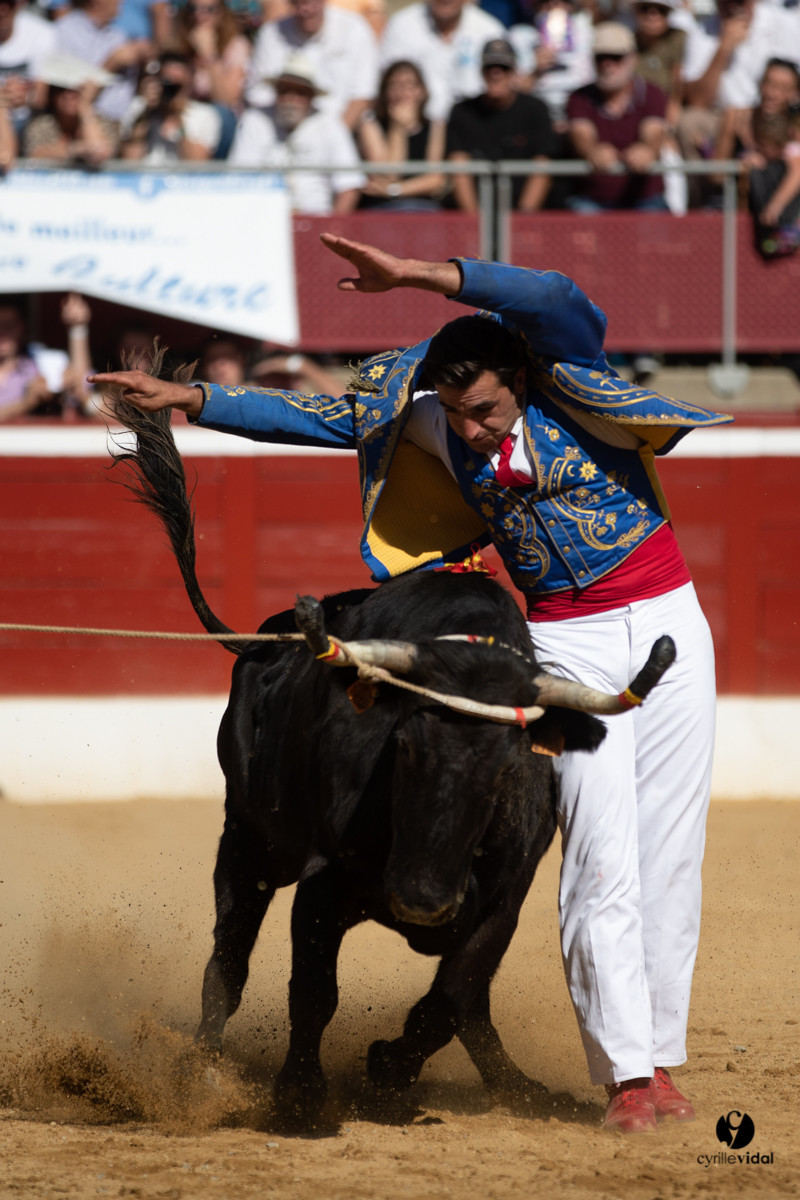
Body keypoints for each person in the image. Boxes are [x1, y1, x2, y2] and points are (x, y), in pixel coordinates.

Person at [89, 232, 733, 1134]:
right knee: (599, 853)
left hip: (670, 623)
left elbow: (554, 294)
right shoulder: (430, 419)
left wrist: (421, 276)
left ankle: (661, 1059)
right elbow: (319, 417)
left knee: (671, 850)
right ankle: (627, 1076)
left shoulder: (570, 378)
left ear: (522, 379)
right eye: (459, 413)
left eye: (487, 409)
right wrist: (196, 399)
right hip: (565, 640)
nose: (474, 429)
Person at [228, 55, 364, 214]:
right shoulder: (254, 120)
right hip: (262, 217)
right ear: (276, 92)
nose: (290, 99)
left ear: (311, 97)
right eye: (284, 91)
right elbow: (238, 179)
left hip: (316, 220)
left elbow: (349, 187)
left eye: (299, 92)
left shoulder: (330, 125)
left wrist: (332, 226)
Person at [566, 21, 670, 211]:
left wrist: (647, 150)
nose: (607, 64)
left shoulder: (653, 94)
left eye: (616, 57)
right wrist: (592, 151)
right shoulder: (579, 98)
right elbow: (581, 135)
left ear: (633, 59)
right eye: (601, 57)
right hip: (593, 200)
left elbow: (654, 133)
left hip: (645, 199)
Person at [447, 37, 556, 212]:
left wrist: (523, 220)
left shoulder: (535, 110)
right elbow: (459, 168)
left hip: (522, 213)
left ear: (514, 72)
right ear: (481, 71)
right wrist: (473, 221)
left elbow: (542, 167)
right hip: (476, 213)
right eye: (490, 67)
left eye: (504, 68)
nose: (496, 73)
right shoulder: (463, 112)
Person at [244, 0, 379, 130]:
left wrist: (333, 137)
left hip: (340, 128)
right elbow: (258, 94)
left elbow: (362, 95)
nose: (306, 8)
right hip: (280, 127)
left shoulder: (354, 29)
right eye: (299, 2)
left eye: (312, 1)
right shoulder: (271, 33)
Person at [713, 57, 800, 256]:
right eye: (768, 83)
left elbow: (797, 169)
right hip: (746, 207)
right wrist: (741, 164)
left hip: (783, 211)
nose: (771, 93)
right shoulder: (737, 118)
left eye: (782, 88)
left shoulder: (796, 127)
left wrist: (776, 206)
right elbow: (716, 175)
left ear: (795, 94)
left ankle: (786, 229)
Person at [379, 0, 505, 122]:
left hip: (475, 123)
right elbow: (387, 85)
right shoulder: (401, 26)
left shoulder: (489, 30)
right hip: (415, 126)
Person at [357, 60, 445, 210]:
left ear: (422, 91)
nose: (402, 92)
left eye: (409, 85)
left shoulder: (435, 127)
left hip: (422, 207)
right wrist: (398, 128)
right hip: (382, 207)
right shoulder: (370, 126)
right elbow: (389, 174)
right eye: (394, 85)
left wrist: (394, 190)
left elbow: (435, 181)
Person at [119, 50, 222, 161]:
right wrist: (145, 112)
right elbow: (131, 160)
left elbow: (197, 163)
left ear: (190, 81)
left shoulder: (205, 115)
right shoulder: (140, 108)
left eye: (178, 85)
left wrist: (178, 118)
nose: (171, 90)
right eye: (167, 83)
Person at [24, 54, 119, 165]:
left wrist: (85, 106)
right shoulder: (41, 124)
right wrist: (75, 150)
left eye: (77, 89)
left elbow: (99, 152)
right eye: (61, 88)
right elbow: (35, 154)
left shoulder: (102, 123)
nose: (68, 95)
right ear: (52, 94)